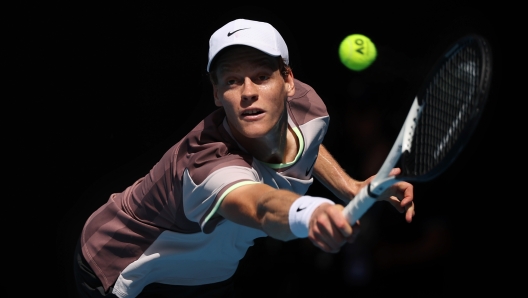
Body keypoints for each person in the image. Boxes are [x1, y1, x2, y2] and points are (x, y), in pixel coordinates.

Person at [73, 18, 415, 298]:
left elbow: (304, 144)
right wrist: (309, 212)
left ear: (288, 81)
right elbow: (260, 205)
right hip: (129, 269)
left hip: (210, 272)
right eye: (233, 80)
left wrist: (349, 187)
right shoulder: (208, 163)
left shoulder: (310, 111)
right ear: (217, 93)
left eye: (262, 77)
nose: (249, 92)